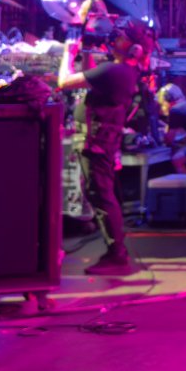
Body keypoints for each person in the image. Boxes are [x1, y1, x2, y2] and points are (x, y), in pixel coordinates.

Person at [56, 18, 148, 275]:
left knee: (102, 196)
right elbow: (92, 77)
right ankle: (115, 251)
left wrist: (68, 52)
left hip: (96, 141)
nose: (114, 40)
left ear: (134, 48)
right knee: (101, 194)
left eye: (120, 37)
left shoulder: (115, 71)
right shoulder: (120, 72)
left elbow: (63, 82)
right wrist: (85, 52)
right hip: (100, 140)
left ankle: (117, 255)